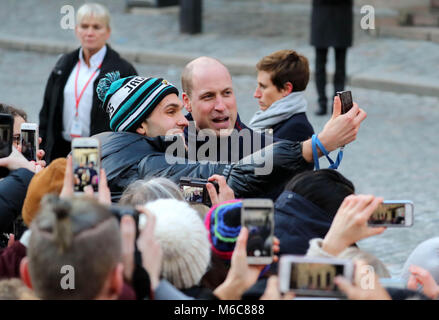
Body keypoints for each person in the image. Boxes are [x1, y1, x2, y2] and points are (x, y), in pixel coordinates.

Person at [96, 68, 366, 202]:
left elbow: (251, 148)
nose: (182, 120)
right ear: (140, 125)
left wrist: (316, 146)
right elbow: (227, 177)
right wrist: (314, 146)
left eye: (227, 93)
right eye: (171, 112)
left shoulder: (158, 144)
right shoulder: (144, 162)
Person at [39, 3, 137, 164]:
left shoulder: (122, 70)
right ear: (77, 30)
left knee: (86, 189)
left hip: (99, 150)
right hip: (60, 150)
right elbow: (47, 110)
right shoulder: (63, 65)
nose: (90, 32)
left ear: (107, 32)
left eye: (96, 27)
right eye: (85, 26)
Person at [249, 49, 314, 142]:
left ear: (286, 89)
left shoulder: (296, 129)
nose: (256, 94)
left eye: (263, 87)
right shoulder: (268, 120)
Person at [311, 0, 353, 116]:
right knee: (320, 64)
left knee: (340, 65)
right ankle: (322, 103)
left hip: (342, 14)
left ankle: (338, 105)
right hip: (321, 13)